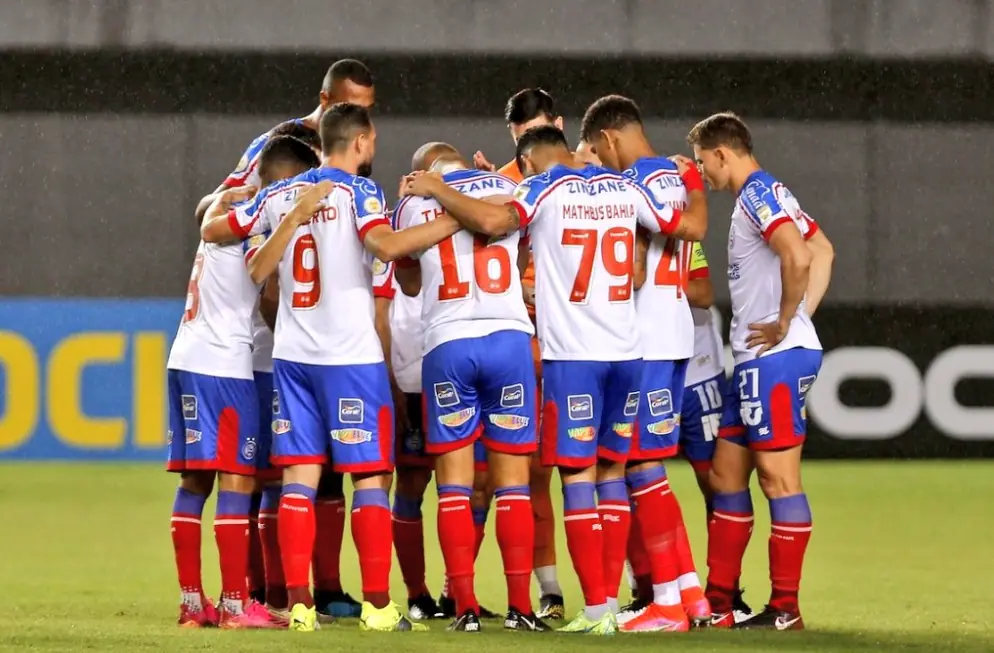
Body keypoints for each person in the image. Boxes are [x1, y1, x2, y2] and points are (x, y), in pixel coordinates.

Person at [403, 125, 685, 635]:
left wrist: (438, 190)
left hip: (560, 353)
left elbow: (482, 227)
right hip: (623, 349)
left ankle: (572, 608)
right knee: (612, 476)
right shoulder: (622, 187)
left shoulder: (535, 189)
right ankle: (559, 607)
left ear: (528, 161)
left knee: (503, 484)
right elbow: (671, 224)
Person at [201, 103, 461, 632]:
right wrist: (455, 218)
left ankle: (299, 607)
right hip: (350, 359)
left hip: (293, 358)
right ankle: (379, 607)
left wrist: (226, 208)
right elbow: (384, 245)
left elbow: (220, 235)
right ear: (360, 142)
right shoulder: (359, 191)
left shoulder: (277, 194)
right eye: (373, 141)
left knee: (298, 477)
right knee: (369, 477)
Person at [195, 59, 375, 621]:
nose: (361, 115)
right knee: (268, 470)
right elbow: (209, 209)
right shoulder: (277, 144)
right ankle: (263, 588)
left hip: (312, 333)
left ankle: (322, 588)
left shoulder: (350, 153)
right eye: (351, 103)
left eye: (369, 107)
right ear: (323, 99)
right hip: (276, 335)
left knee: (316, 475)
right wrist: (273, 208)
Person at [686, 111, 834, 630]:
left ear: (723, 153)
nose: (704, 173)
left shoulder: (756, 194)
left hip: (770, 359)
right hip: (752, 361)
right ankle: (720, 603)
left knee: (777, 478)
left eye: (705, 163)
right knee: (727, 475)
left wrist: (787, 320)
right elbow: (823, 248)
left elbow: (797, 255)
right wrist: (799, 320)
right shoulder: (771, 193)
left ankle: (786, 609)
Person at [167, 142, 320, 630]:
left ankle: (193, 603)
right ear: (289, 182)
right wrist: (294, 218)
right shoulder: (258, 217)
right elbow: (258, 272)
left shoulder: (231, 204)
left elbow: (209, 221)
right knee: (237, 480)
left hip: (186, 355)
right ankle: (236, 605)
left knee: (195, 482)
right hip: (223, 366)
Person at [398, 144, 548, 634]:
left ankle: (463, 607)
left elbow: (409, 278)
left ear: (428, 170)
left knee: (455, 489)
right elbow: (522, 247)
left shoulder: (415, 199)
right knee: (513, 488)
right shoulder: (510, 189)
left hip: (448, 343)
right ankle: (522, 608)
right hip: (509, 339)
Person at [580, 94, 710, 632]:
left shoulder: (634, 185)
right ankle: (689, 593)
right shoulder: (674, 177)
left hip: (646, 338)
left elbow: (630, 274)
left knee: (637, 466)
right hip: (675, 332)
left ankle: (666, 605)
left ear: (609, 139)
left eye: (599, 154)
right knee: (646, 464)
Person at [473, 88, 567, 620]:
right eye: (519, 136)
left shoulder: (585, 177)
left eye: (536, 132)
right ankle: (472, 593)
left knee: (573, 474)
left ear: (556, 124)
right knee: (506, 475)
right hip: (520, 342)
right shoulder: (502, 184)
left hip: (573, 345)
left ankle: (641, 589)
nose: (528, 144)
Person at [240, 135, 322, 623]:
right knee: (265, 481)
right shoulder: (276, 212)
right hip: (272, 360)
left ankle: (268, 593)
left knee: (270, 481)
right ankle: (263, 592)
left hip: (260, 359)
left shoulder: (251, 213)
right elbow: (269, 294)